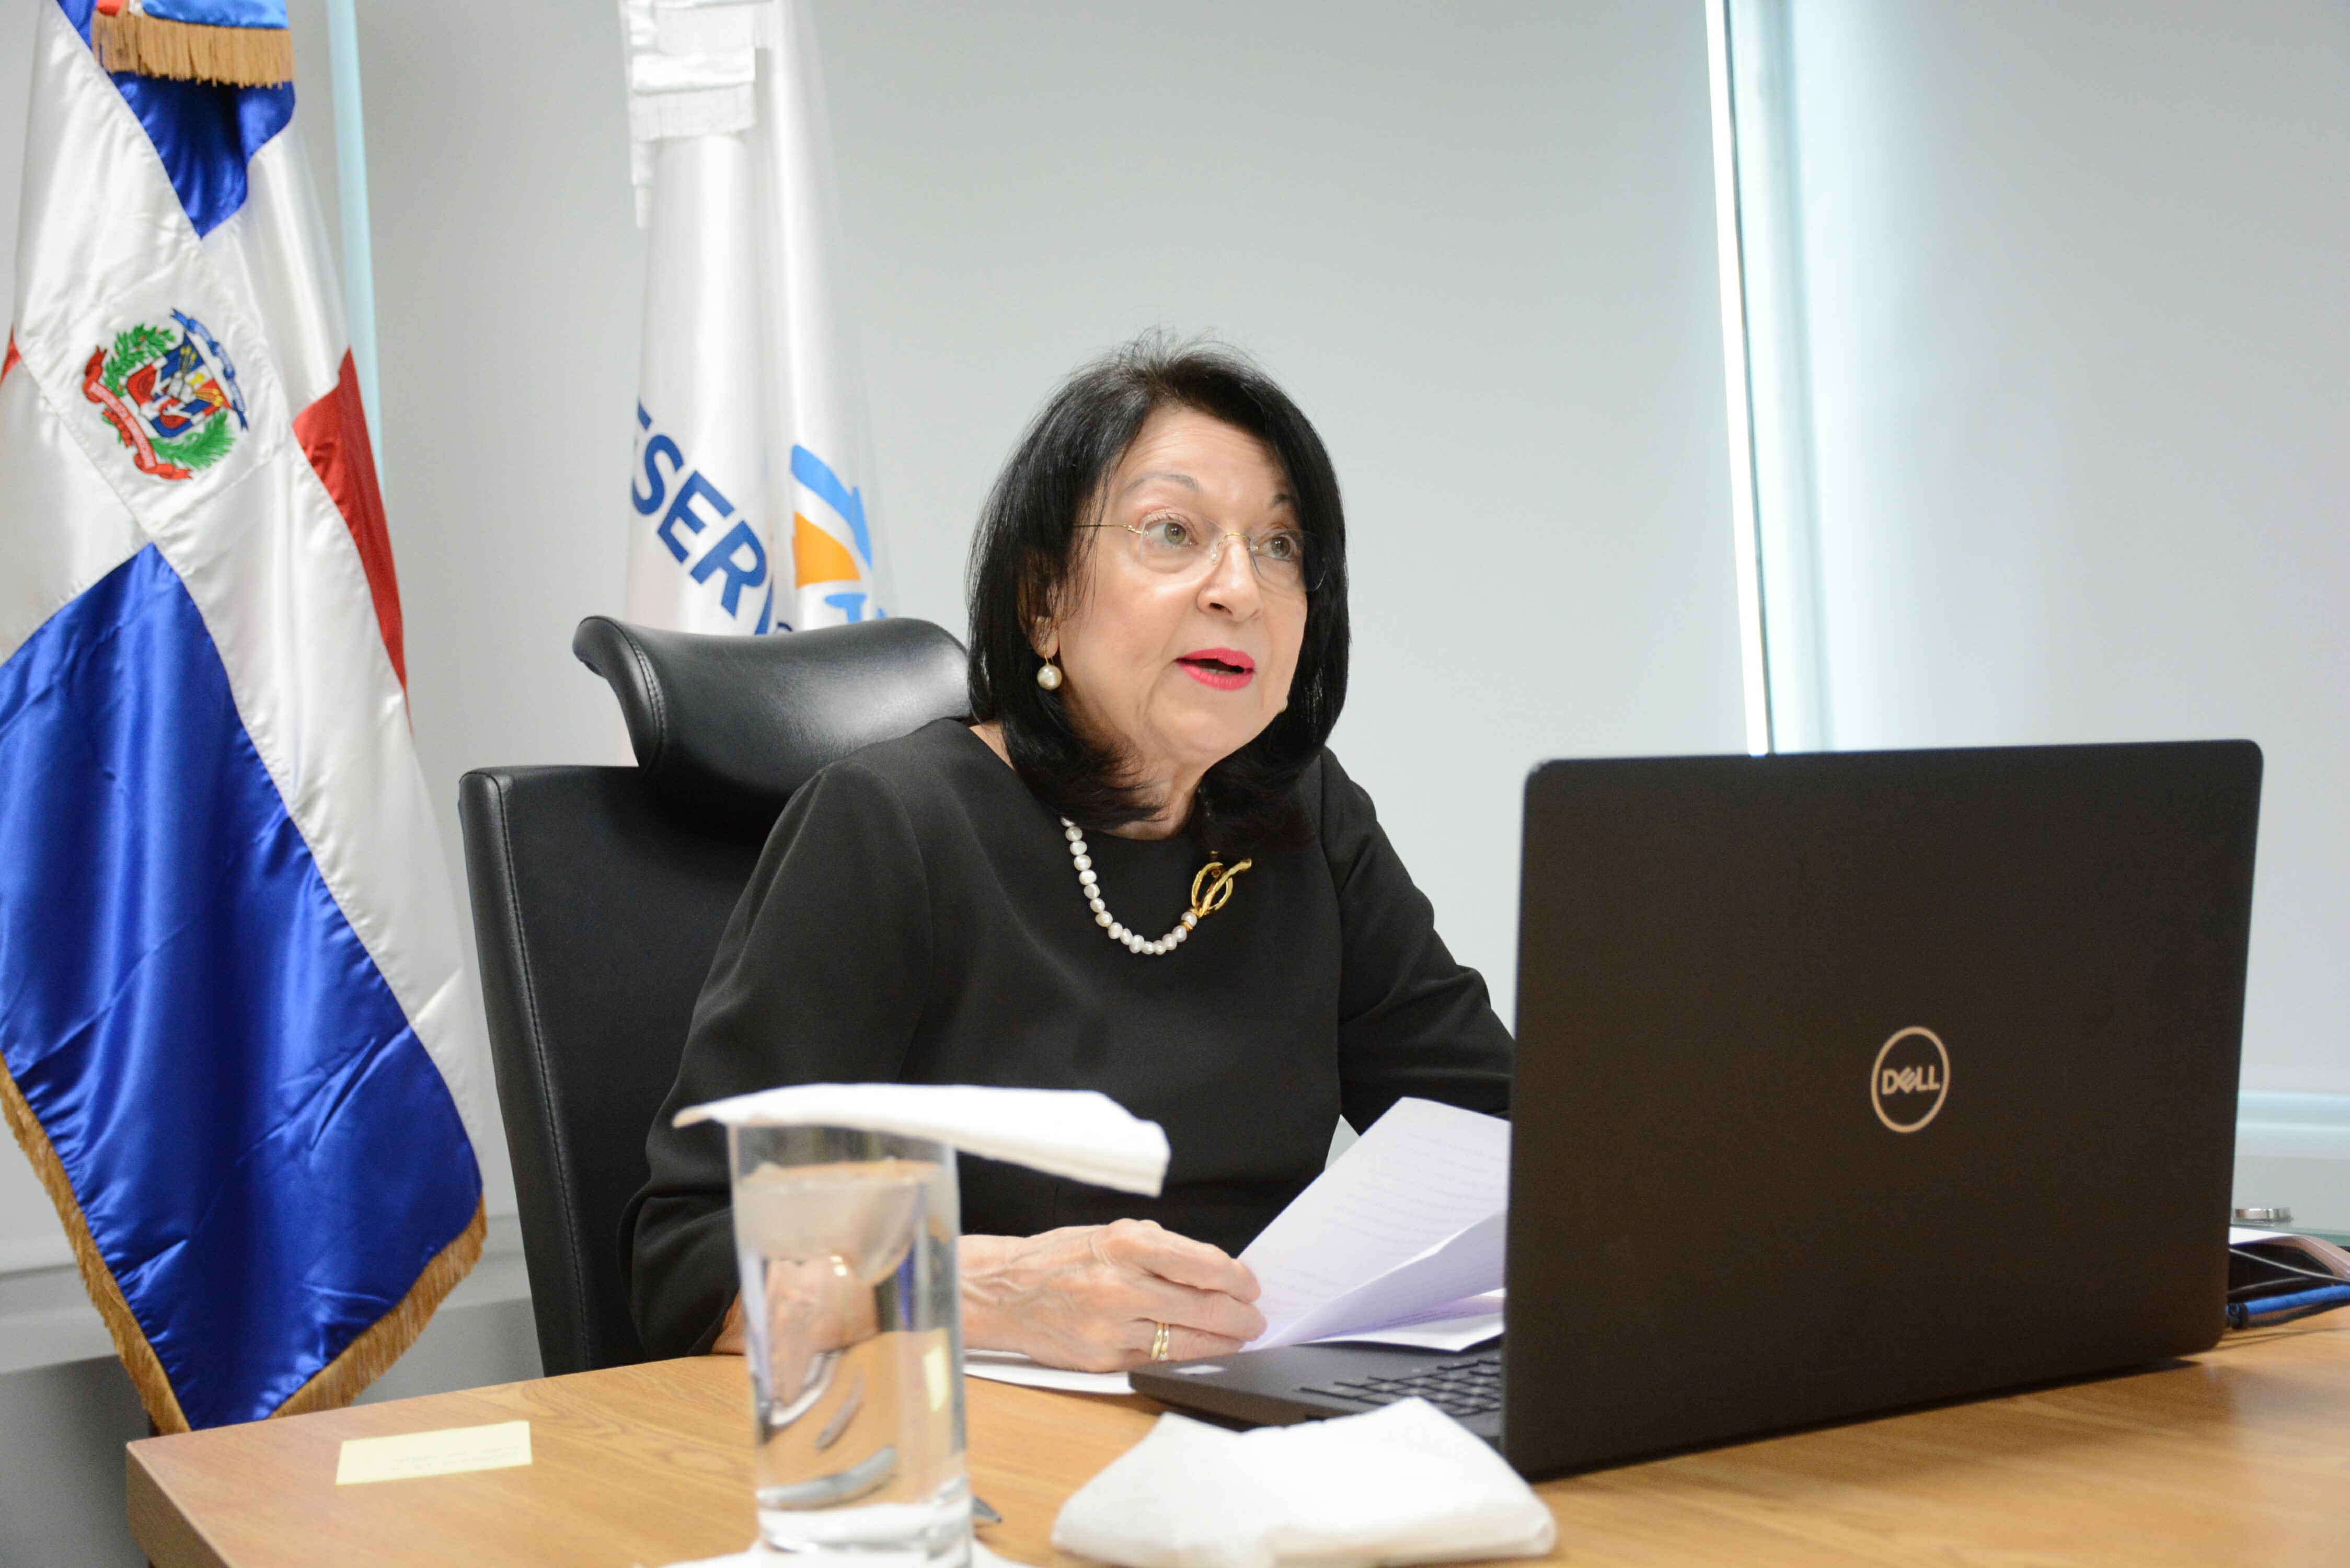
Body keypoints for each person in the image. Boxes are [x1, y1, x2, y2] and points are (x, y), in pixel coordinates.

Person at [621, 338, 1512, 1372]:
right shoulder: (891, 824)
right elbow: (690, 1266)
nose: (1240, 587)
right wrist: (983, 1293)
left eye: (1280, 545)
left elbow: (1509, 1146)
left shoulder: (1306, 818)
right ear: (1043, 598)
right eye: (1173, 532)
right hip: (980, 1434)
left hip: (1260, 1407)